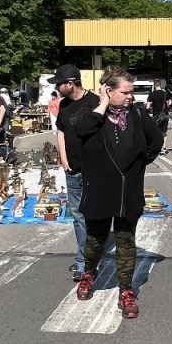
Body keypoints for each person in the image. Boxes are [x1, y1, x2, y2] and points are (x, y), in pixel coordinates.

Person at [70, 69, 163, 320]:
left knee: (125, 241)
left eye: (131, 92)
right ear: (109, 91)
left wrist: (138, 166)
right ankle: (89, 274)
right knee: (95, 241)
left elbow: (155, 142)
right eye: (125, 92)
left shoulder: (138, 115)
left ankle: (126, 290)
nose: (130, 97)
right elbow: (81, 131)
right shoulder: (92, 114)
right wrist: (102, 105)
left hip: (127, 190)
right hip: (99, 189)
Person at [53, 64, 102, 283]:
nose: (56, 87)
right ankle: (84, 262)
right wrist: (64, 160)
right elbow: (61, 132)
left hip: (94, 171)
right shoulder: (63, 105)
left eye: (59, 83)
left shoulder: (94, 103)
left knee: (94, 217)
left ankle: (90, 261)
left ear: (71, 84)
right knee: (79, 218)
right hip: (72, 170)